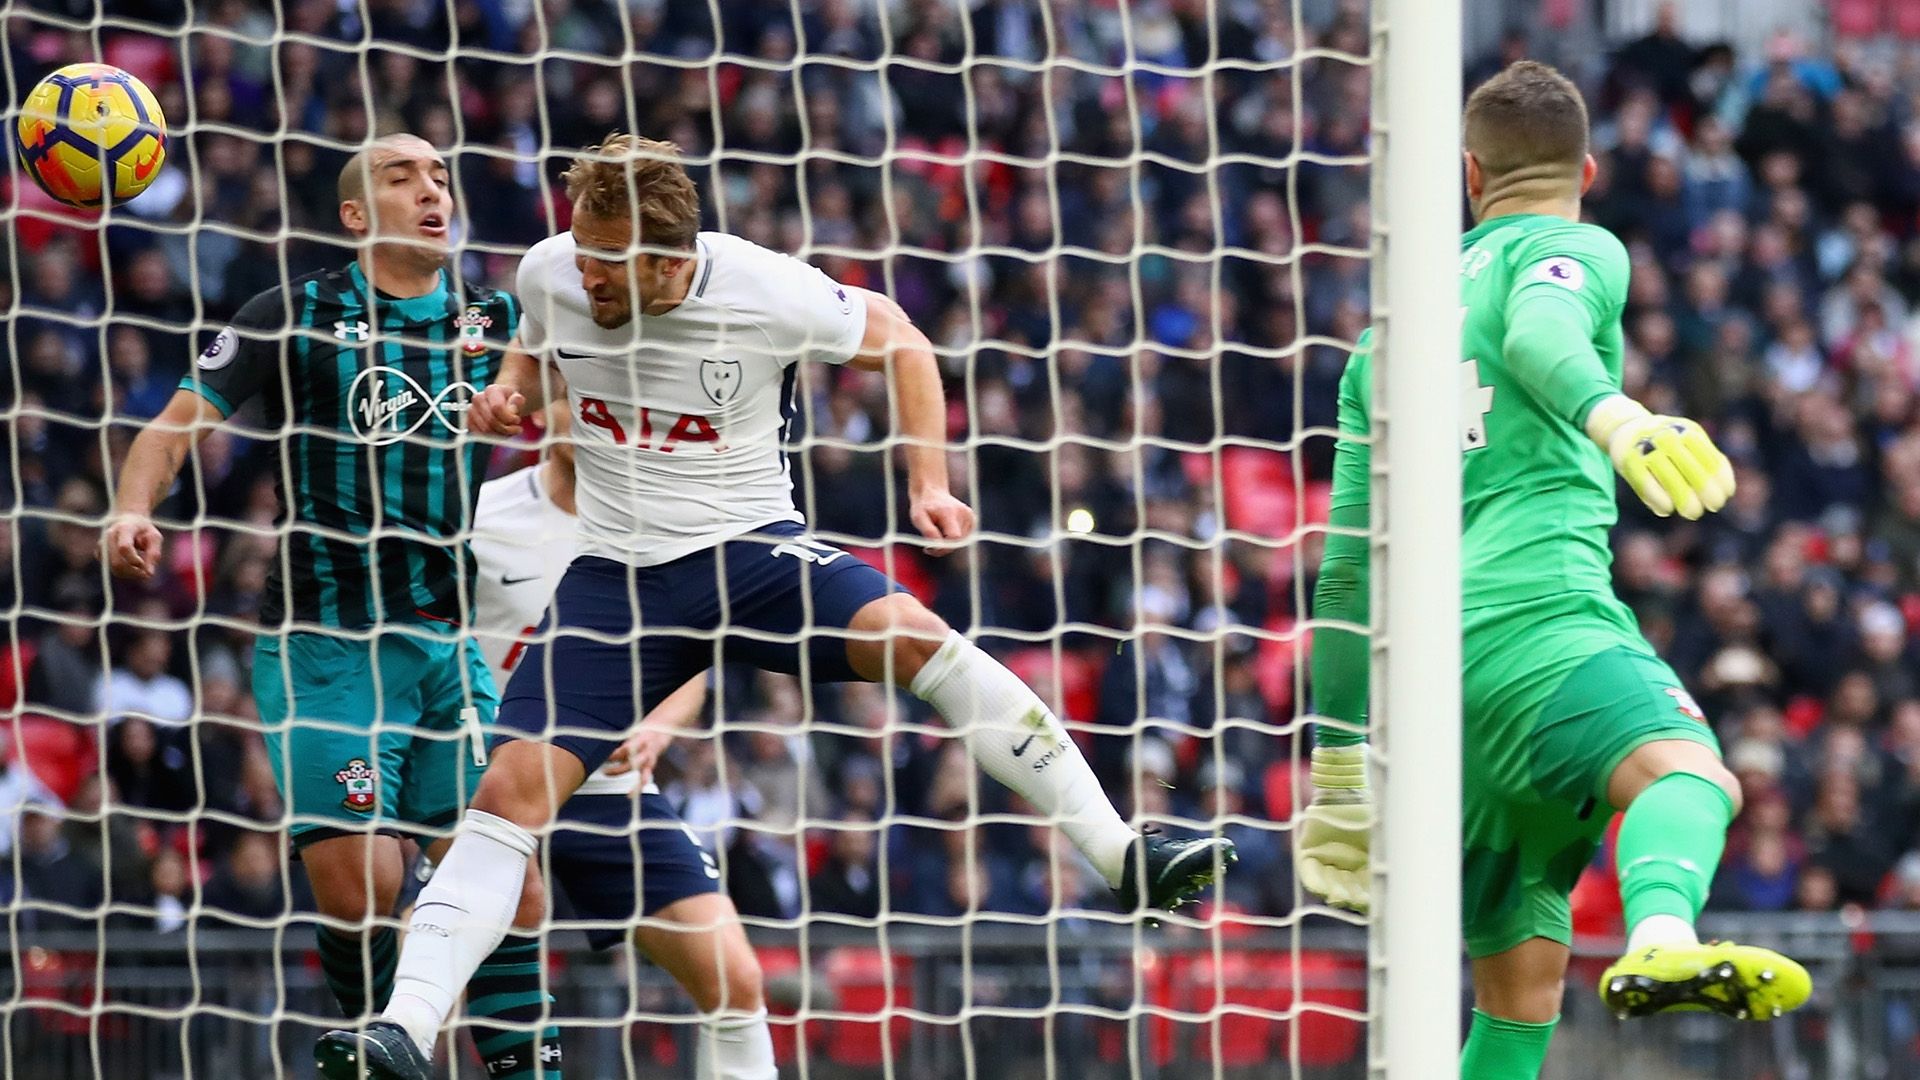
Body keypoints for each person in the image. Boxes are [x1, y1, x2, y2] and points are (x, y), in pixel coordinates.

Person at [318, 132, 1234, 1078]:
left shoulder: (765, 289)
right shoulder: (554, 270)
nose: (583, 273)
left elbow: (903, 341)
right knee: (508, 794)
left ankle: (1120, 855)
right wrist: (510, 391)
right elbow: (534, 336)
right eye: (580, 250)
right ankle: (403, 1029)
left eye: (606, 261)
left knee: (917, 637)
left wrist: (928, 480)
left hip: (749, 552)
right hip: (620, 577)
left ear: (669, 261)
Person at [1294, 62, 1810, 1080]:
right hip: (1540, 621)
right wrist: (1618, 418)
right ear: (1588, 170)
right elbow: (1539, 328)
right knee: (1690, 774)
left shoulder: (1377, 345)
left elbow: (1347, 577)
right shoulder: (1573, 245)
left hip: (1437, 693)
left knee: (1519, 997)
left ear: (1469, 175)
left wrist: (1339, 769)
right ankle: (1663, 937)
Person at [105, 134, 562, 1080]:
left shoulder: (494, 316)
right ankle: (380, 1048)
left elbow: (562, 403)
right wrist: (132, 508)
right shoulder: (294, 312)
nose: (431, 190)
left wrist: (519, 403)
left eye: (439, 176)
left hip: (446, 644)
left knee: (516, 888)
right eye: (403, 177)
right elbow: (173, 427)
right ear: (356, 215)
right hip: (327, 644)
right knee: (363, 888)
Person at [467, 403, 775, 1078]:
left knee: (736, 982)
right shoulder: (482, 517)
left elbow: (690, 665)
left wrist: (655, 726)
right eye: (569, 396)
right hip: (493, 786)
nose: (584, 415)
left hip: (609, 794)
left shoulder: (656, 523)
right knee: (429, 980)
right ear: (541, 412)